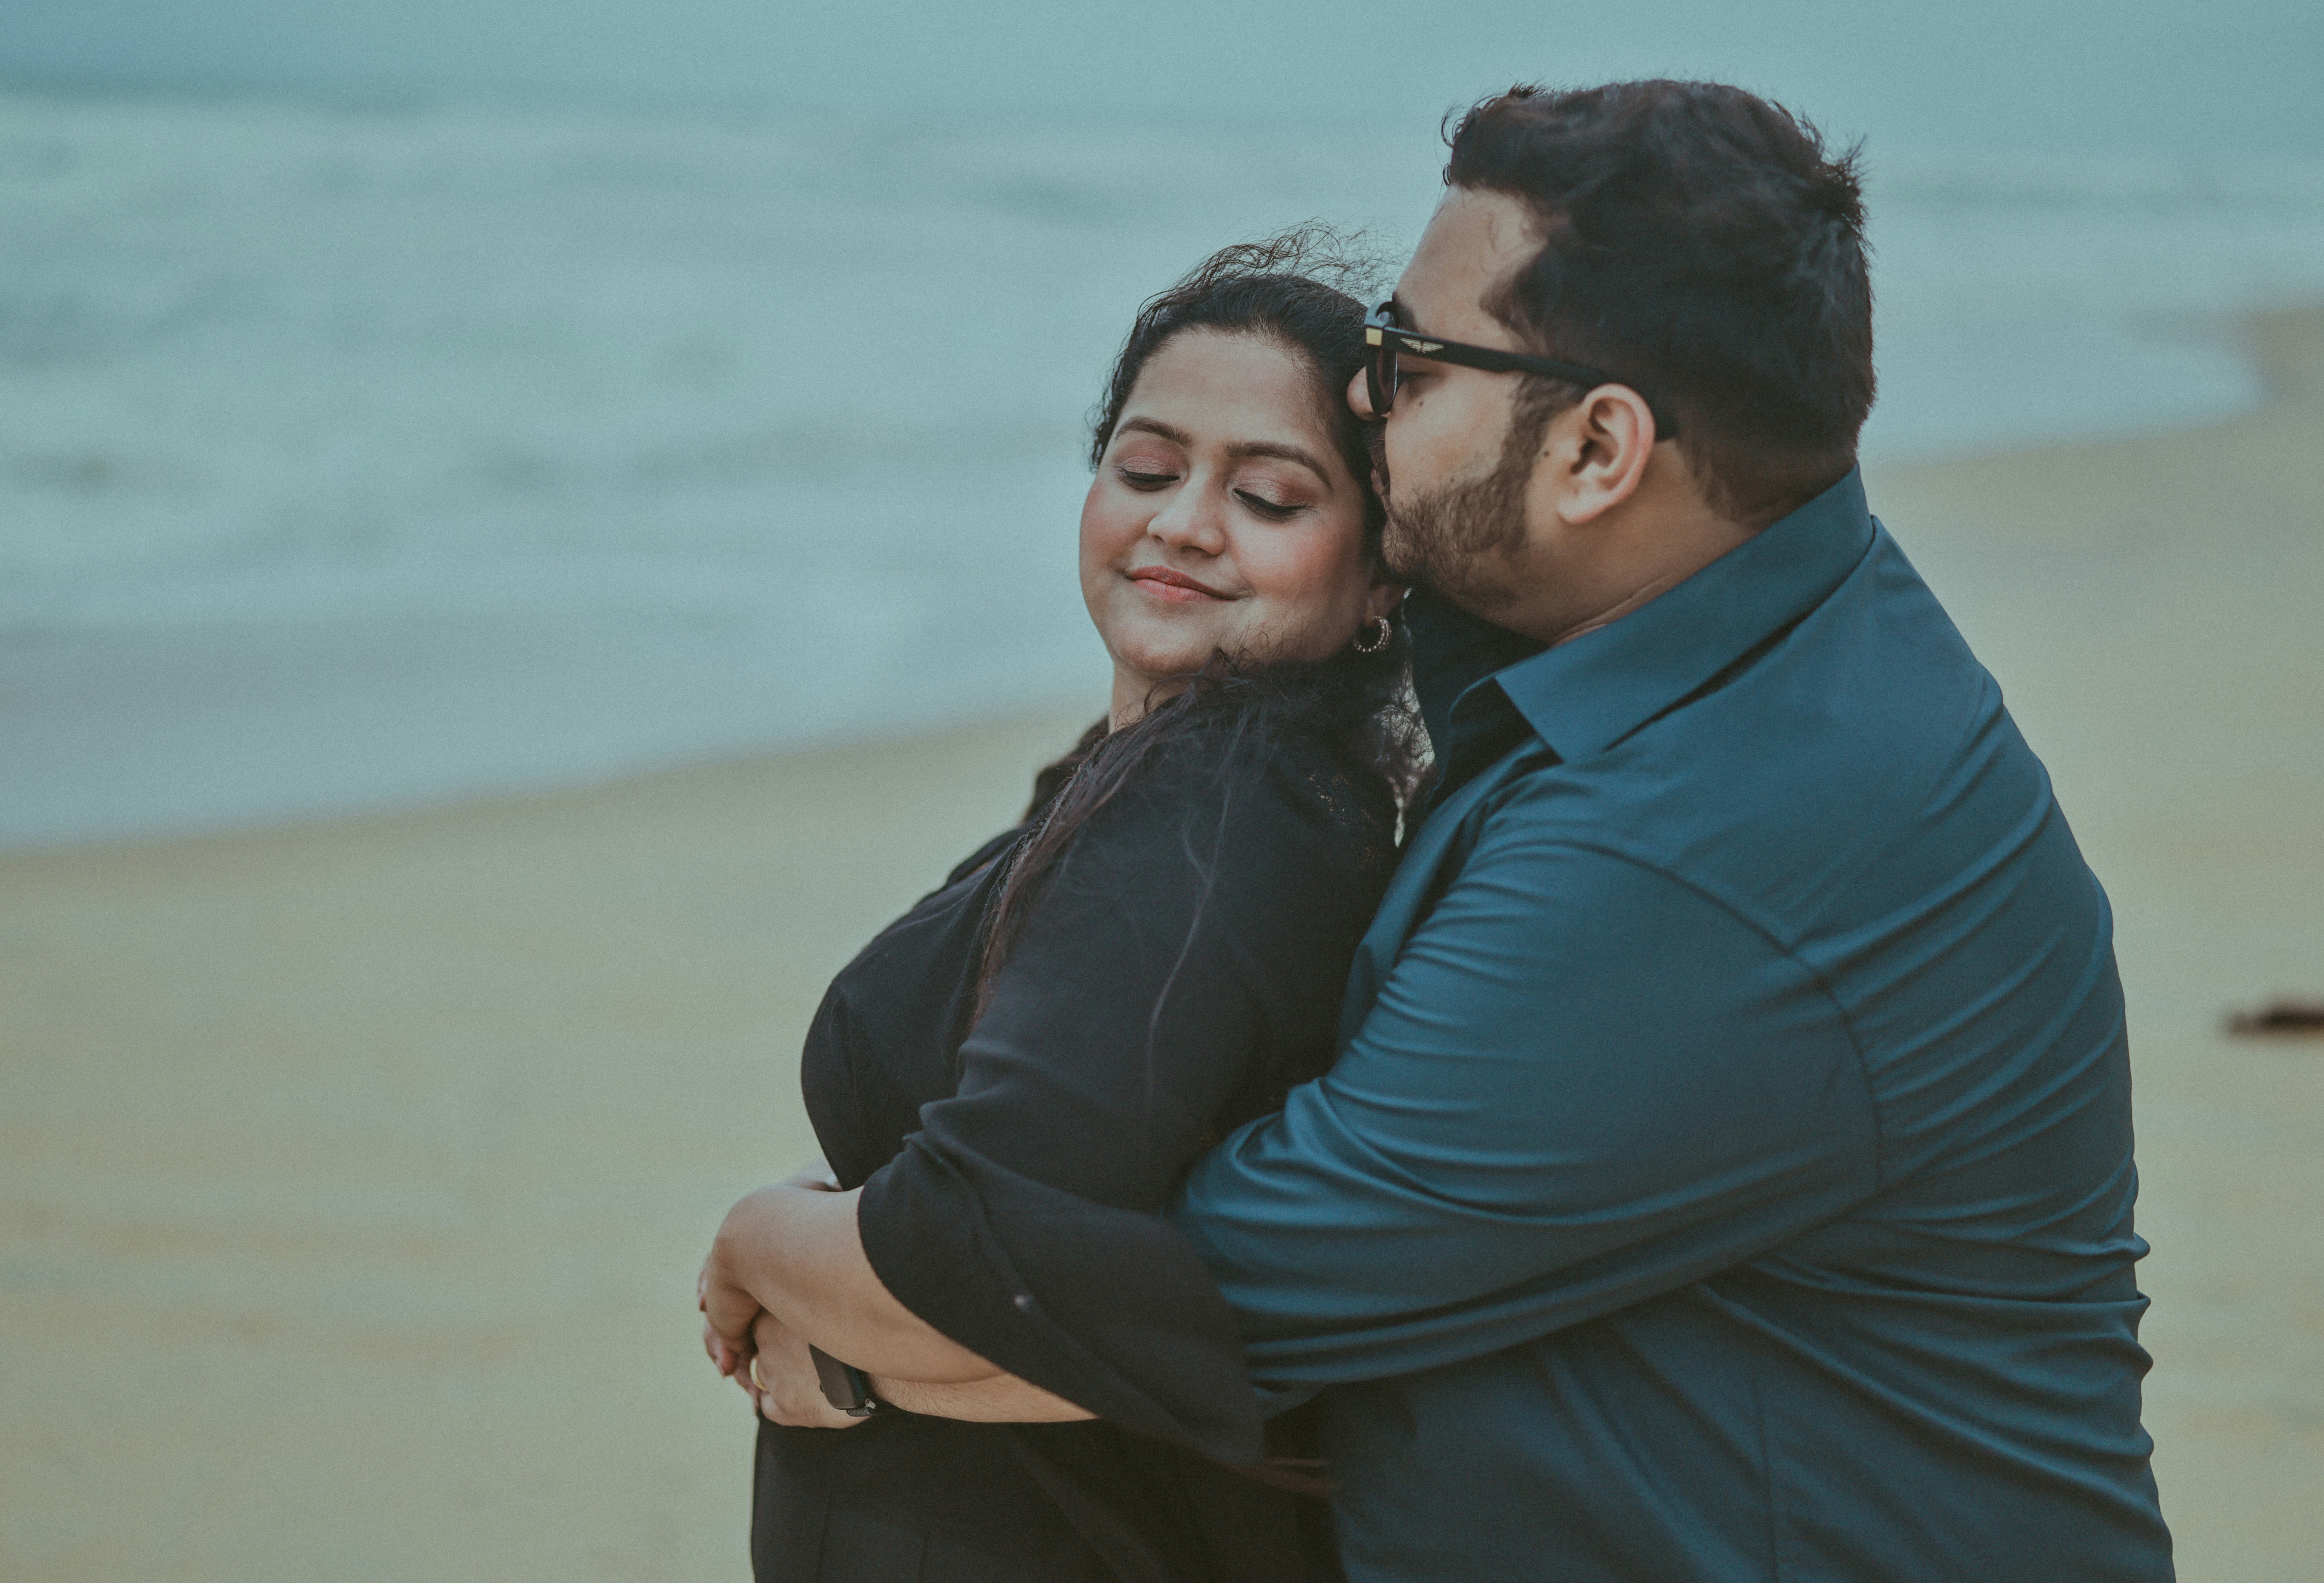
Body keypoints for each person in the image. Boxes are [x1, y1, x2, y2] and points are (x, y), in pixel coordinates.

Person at [729, 80, 2177, 1582]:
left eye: (1409, 363)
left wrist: (783, 1263)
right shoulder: (1727, 636)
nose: (1360, 397)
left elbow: (1143, 1297)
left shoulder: (1703, 853)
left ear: (1598, 454)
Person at [697, 233, 1419, 1583]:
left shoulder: (1219, 803)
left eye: (1266, 495)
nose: (1182, 520)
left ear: (1380, 575)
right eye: (1145, 468)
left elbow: (994, 1250)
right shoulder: (1164, 781)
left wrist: (760, 1239)